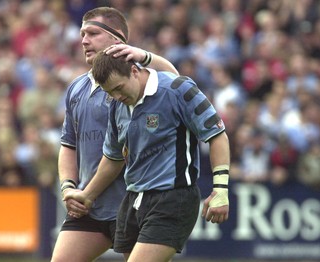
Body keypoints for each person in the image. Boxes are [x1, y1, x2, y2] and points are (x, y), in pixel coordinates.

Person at [64, 51, 231, 261]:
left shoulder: (177, 89)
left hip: (173, 198)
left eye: (119, 88)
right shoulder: (117, 105)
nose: (116, 96)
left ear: (134, 71)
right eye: (110, 93)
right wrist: (88, 194)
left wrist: (221, 189)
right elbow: (113, 157)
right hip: (133, 201)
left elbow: (217, 136)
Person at [50, 7, 179, 262]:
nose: (84, 40)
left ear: (117, 39)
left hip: (135, 204)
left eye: (93, 33)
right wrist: (68, 187)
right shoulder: (76, 88)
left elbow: (176, 81)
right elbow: (68, 145)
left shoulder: (137, 83)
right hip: (90, 208)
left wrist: (143, 56)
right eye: (82, 34)